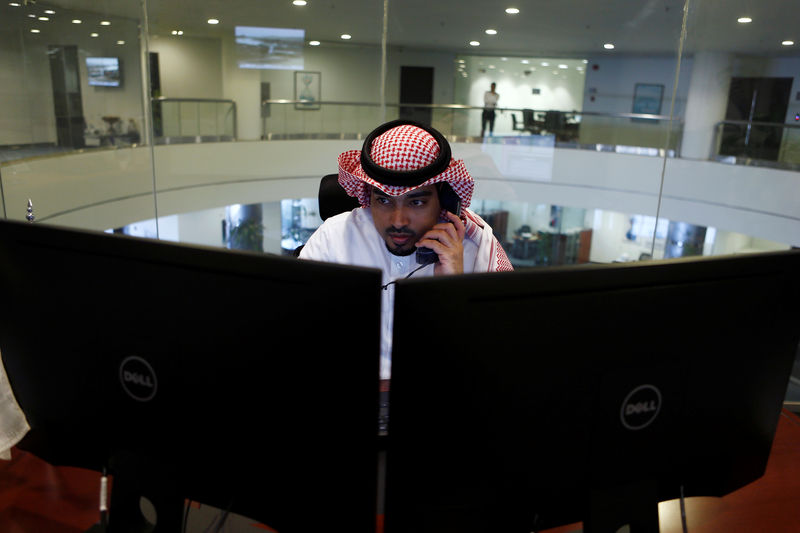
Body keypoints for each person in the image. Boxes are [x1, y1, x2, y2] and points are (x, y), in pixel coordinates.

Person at [299, 120, 513, 379]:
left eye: (417, 201)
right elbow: (294, 331)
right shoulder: (334, 237)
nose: (398, 221)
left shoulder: (478, 246)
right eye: (384, 200)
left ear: (445, 199)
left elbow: (501, 353)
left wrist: (454, 289)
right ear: (368, 196)